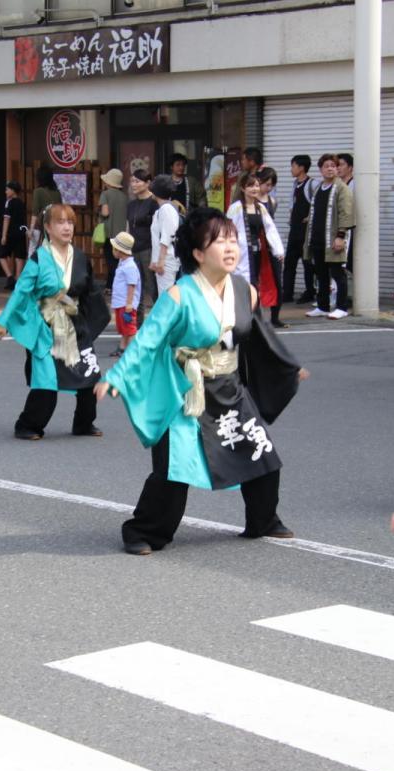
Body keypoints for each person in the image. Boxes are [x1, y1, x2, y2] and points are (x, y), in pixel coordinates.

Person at [95, 207, 307, 556]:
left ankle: (263, 520)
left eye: (233, 240)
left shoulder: (245, 291)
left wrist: (286, 367)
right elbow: (148, 340)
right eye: (219, 241)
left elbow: (259, 337)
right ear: (197, 253)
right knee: (174, 468)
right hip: (187, 392)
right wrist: (117, 377)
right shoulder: (180, 295)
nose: (230, 247)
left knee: (262, 454)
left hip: (230, 388)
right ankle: (143, 531)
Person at [0, 203, 108, 441]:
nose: (66, 228)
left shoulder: (80, 257)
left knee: (89, 377)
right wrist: (2, 320)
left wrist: (94, 320)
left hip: (75, 325)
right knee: (46, 382)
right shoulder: (39, 258)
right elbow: (21, 291)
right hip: (46, 327)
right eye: (60, 222)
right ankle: (27, 424)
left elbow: (91, 293)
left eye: (70, 222)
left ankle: (84, 423)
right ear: (47, 227)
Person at [227, 172, 286, 328]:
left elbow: (270, 229)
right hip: (241, 253)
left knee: (256, 283)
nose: (254, 188)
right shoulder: (236, 208)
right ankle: (243, 318)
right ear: (242, 188)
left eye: (256, 185)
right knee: (244, 283)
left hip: (258, 252)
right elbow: (228, 230)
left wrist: (278, 250)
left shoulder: (260, 208)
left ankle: (255, 317)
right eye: (250, 186)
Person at [304, 154, 354, 320]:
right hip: (318, 238)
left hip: (333, 239)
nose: (331, 168)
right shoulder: (319, 188)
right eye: (326, 166)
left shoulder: (341, 188)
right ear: (320, 169)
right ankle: (323, 306)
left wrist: (340, 236)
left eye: (334, 165)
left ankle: (341, 307)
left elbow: (346, 213)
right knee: (321, 274)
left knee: (338, 273)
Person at [126, 169, 158, 312]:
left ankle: (159, 316)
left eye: (137, 181)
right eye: (132, 181)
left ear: (147, 183)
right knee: (135, 285)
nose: (133, 184)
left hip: (149, 248)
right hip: (133, 249)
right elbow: (128, 226)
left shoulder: (154, 202)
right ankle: (137, 321)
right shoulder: (131, 204)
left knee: (152, 285)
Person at [284, 155, 314, 304]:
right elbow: (293, 203)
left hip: (305, 231)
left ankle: (310, 292)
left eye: (293, 166)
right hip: (294, 230)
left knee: (308, 263)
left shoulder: (312, 184)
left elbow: (318, 203)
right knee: (289, 262)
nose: (291, 169)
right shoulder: (295, 184)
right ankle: (287, 293)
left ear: (301, 168)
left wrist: (310, 217)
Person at [108, 231, 140, 357]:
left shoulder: (130, 266)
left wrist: (129, 304)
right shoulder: (123, 263)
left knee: (129, 328)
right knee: (123, 328)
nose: (113, 251)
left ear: (120, 250)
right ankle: (122, 348)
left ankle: (133, 352)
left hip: (125, 303)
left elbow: (131, 285)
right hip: (120, 302)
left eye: (114, 248)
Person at [150, 175, 183, 295]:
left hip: (167, 259)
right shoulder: (163, 209)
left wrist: (160, 260)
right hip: (164, 259)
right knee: (164, 295)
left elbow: (167, 236)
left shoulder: (166, 209)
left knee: (166, 296)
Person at [98, 168, 129, 287]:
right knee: (118, 260)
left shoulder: (105, 194)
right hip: (121, 234)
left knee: (110, 261)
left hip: (108, 233)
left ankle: (113, 286)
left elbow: (105, 213)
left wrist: (99, 214)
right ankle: (110, 285)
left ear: (108, 182)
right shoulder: (124, 197)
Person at [0, 181, 29, 290]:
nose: (6, 192)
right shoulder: (21, 203)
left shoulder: (9, 202)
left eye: (7, 189)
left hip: (10, 233)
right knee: (19, 255)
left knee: (2, 255)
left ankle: (10, 276)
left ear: (12, 190)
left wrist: (4, 235)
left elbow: (6, 219)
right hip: (20, 232)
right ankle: (18, 278)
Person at [29, 165, 62, 247]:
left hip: (44, 226)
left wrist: (31, 229)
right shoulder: (57, 192)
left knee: (42, 247)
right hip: (56, 225)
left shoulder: (38, 191)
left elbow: (35, 212)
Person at [335, 154, 355, 274]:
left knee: (346, 264)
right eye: (337, 165)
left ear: (350, 167)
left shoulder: (355, 184)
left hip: (349, 230)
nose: (338, 168)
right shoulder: (336, 185)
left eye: (341, 165)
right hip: (336, 228)